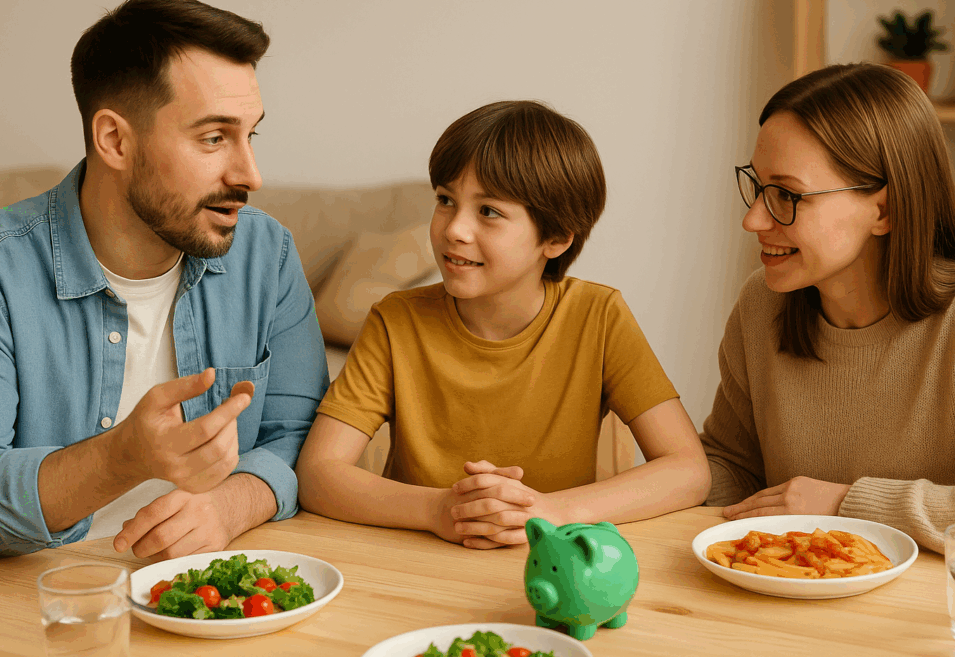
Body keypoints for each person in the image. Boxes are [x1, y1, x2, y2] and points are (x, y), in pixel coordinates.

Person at [0, 0, 328, 561]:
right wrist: (121, 457)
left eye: (251, 134)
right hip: (46, 600)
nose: (250, 174)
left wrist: (232, 505)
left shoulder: (266, 253)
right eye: (213, 138)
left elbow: (303, 435)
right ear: (115, 141)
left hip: (207, 591)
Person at [296, 100, 711, 549]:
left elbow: (688, 469)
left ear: (555, 238)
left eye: (488, 211)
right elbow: (317, 474)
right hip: (419, 559)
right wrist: (437, 509)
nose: (455, 228)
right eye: (445, 200)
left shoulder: (599, 316)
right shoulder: (396, 320)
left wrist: (554, 510)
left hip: (551, 560)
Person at [701, 63, 955, 552]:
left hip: (935, 619)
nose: (754, 219)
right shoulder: (763, 305)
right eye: (757, 186)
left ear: (884, 210)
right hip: (787, 610)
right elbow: (733, 468)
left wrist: (847, 505)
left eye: (787, 195)